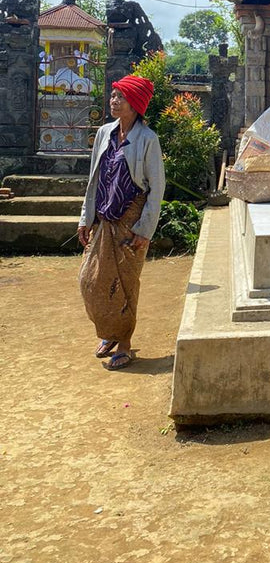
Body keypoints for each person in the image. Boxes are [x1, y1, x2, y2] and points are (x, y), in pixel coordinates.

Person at [78, 75, 165, 369]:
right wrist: (85, 219)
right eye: (113, 95)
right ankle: (110, 332)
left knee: (125, 284)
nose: (113, 101)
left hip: (132, 221)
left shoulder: (147, 139)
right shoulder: (104, 133)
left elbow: (156, 189)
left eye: (120, 97)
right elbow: (93, 180)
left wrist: (144, 230)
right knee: (91, 281)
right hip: (104, 218)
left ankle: (124, 342)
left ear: (135, 104)